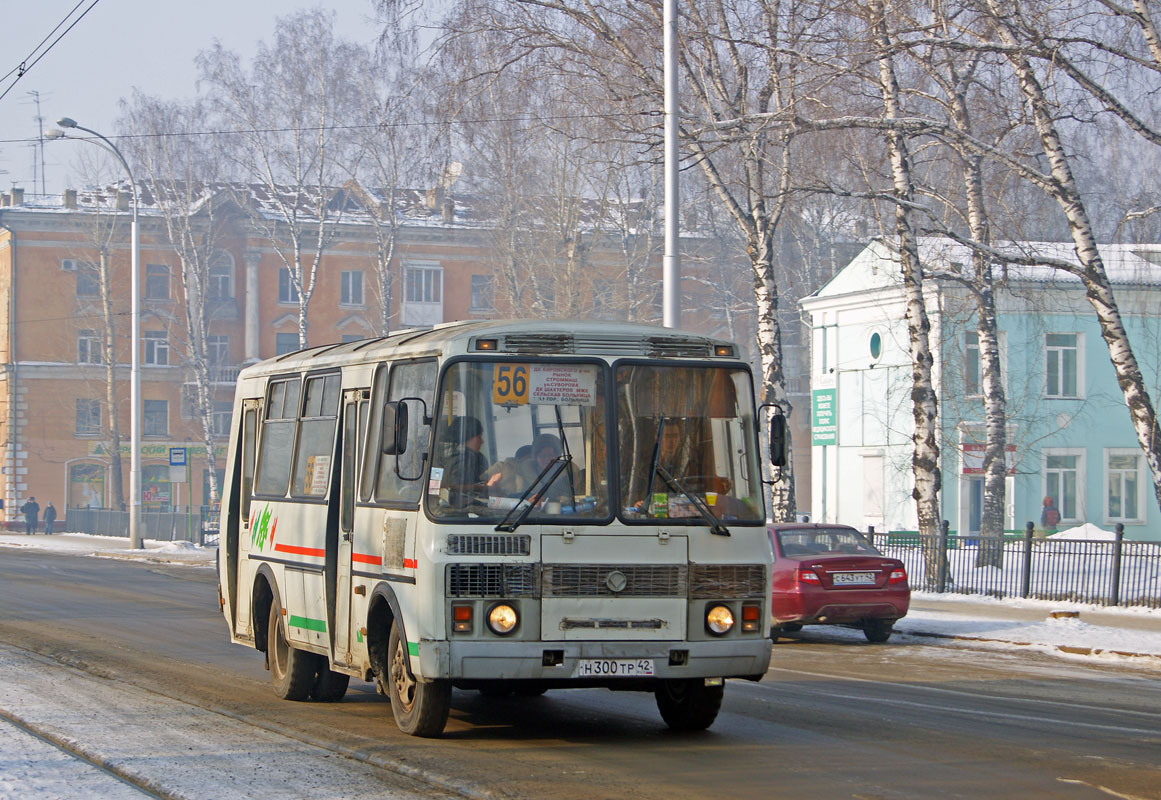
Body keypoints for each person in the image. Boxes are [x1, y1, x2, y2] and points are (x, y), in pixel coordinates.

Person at [442, 416, 490, 508]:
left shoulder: (473, 457)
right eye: (479, 437)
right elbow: (455, 488)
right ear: (469, 437)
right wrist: (485, 487)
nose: (482, 441)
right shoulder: (463, 460)